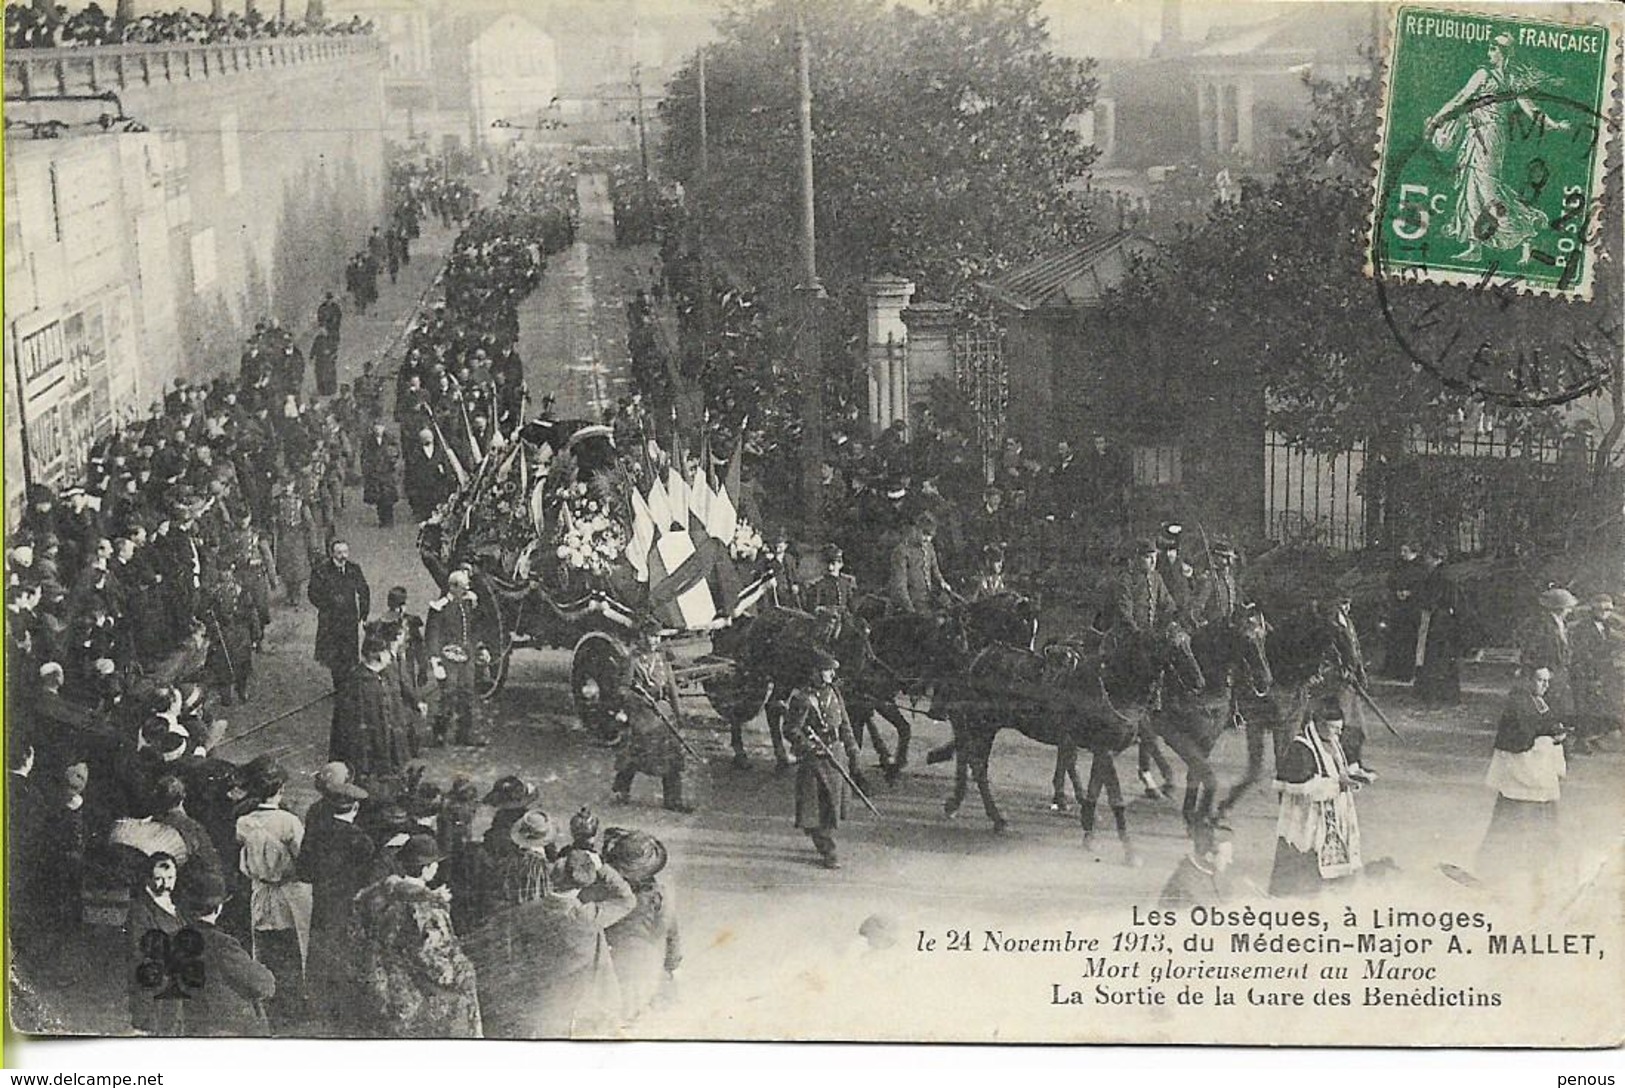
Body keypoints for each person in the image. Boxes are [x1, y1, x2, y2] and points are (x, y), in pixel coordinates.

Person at [463, 815, 636, 1039]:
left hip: (537, 994)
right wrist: (602, 867)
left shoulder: (526, 912)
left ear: (553, 877)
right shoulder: (589, 917)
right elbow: (626, 899)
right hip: (576, 996)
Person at [1425, 32, 1570, 264]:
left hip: (1488, 139)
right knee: (1472, 188)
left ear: (1504, 54)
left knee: (1487, 191)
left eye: (1493, 49)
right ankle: (1477, 246)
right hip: (1480, 136)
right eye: (1489, 48)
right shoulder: (1502, 77)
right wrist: (1554, 124)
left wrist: (1436, 120)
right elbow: (1462, 98)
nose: (1489, 53)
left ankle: (1524, 232)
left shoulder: (1493, 76)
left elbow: (1462, 98)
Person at [348, 834, 482, 1038]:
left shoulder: (380, 893)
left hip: (383, 983)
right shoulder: (427, 908)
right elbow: (436, 964)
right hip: (415, 994)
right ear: (428, 868)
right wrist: (464, 969)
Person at [296, 762, 375, 1030]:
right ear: (355, 807)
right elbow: (368, 878)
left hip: (322, 902)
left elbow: (304, 871)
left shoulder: (316, 830)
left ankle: (318, 1005)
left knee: (320, 951)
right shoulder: (361, 840)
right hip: (350, 904)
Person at [1477, 667, 1569, 896]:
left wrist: (1554, 733)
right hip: (1523, 767)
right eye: (1540, 680)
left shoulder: (1537, 701)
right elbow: (1520, 737)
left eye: (1548, 680)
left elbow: (1542, 724)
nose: (1545, 685)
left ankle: (1536, 870)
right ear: (1528, 680)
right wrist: (1548, 737)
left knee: (1540, 821)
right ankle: (1502, 871)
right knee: (1515, 820)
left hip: (1537, 767)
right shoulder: (1518, 703)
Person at [234, 758, 311, 1030]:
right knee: (292, 947)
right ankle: (293, 1008)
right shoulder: (289, 822)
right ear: (280, 790)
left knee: (265, 948)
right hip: (288, 894)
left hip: (260, 891)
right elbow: (303, 858)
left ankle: (269, 1004)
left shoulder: (244, 823)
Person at [1268, 696, 1363, 897]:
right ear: (1319, 724)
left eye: (1340, 728)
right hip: (1306, 817)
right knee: (1303, 856)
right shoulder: (1301, 748)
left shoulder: (1332, 742)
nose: (1338, 733)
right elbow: (1302, 789)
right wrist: (1339, 784)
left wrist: (1354, 776)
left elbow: (1340, 770)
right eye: (1334, 728)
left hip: (1332, 813)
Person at [782, 649, 865, 870]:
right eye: (827, 670)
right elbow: (790, 729)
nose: (831, 674)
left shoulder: (834, 694)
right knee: (815, 805)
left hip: (834, 754)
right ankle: (827, 849)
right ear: (815, 673)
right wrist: (808, 746)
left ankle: (823, 838)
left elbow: (844, 724)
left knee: (832, 803)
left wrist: (853, 750)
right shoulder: (801, 698)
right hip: (813, 759)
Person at [174, 869, 276, 1037]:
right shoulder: (221, 943)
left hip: (192, 1026)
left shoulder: (176, 938)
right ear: (218, 909)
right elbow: (264, 985)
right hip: (227, 1029)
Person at [611, 618, 693, 813]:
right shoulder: (633, 659)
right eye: (650, 636)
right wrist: (639, 699)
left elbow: (671, 687)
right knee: (634, 755)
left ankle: (673, 799)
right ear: (641, 636)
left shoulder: (663, 658)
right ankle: (621, 790)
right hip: (641, 714)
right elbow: (623, 689)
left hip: (661, 712)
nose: (654, 640)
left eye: (657, 636)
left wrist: (678, 714)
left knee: (673, 756)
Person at [600, 829, 682, 1022]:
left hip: (612, 970)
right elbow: (672, 939)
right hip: (649, 970)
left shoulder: (608, 894)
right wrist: (670, 967)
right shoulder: (660, 897)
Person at [424, 568, 491, 748]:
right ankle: (440, 733)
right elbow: (432, 636)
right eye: (464, 587)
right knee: (449, 694)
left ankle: (464, 734)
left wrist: (480, 648)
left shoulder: (467, 605)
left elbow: (475, 629)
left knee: (468, 694)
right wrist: (435, 661)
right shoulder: (440, 607)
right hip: (448, 659)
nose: (467, 591)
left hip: (466, 657)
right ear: (453, 587)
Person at [124, 851, 188, 1036]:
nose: (166, 884)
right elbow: (140, 955)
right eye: (159, 878)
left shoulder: (174, 905)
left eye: (170, 877)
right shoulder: (140, 911)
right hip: (153, 994)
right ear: (148, 878)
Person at [308, 539, 370, 691]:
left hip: (349, 619)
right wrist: (327, 604)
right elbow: (312, 594)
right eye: (339, 553)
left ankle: (349, 684)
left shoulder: (353, 569)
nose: (343, 556)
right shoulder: (321, 571)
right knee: (335, 655)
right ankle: (340, 686)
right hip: (330, 620)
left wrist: (363, 613)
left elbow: (364, 590)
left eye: (345, 552)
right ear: (332, 554)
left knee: (351, 653)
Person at [1516, 586, 1577, 729]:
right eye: (1568, 607)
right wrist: (1538, 667)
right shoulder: (1542, 623)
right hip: (1546, 669)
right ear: (1560, 608)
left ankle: (1555, 733)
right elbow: (1531, 647)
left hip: (1559, 669)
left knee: (1559, 703)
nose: (1570, 610)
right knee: (1546, 703)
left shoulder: (1562, 623)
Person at [1571, 594, 1625, 750]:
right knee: (1584, 705)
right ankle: (1581, 741)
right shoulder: (1582, 627)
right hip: (1585, 671)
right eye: (1600, 609)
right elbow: (1583, 653)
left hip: (1603, 671)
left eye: (1608, 609)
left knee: (1600, 704)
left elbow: (1607, 646)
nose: (1604, 612)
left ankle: (1595, 736)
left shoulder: (1607, 626)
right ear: (1592, 609)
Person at [1414, 546, 1466, 706]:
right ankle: (1447, 697)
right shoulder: (1444, 574)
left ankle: (1436, 698)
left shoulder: (1440, 576)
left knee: (1437, 661)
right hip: (1443, 622)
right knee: (1443, 661)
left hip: (1439, 623)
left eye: (1428, 558)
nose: (1425, 561)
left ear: (1437, 558)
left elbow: (1434, 600)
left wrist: (1426, 605)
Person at [1158, 822, 1236, 909]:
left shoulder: (1208, 872)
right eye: (1226, 856)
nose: (1230, 861)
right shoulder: (1189, 880)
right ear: (1209, 857)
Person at [888, 512, 954, 614]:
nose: (927, 538)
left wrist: (942, 581)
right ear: (916, 529)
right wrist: (911, 610)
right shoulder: (902, 551)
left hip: (928, 598)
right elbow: (900, 585)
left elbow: (935, 569)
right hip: (912, 602)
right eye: (924, 533)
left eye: (930, 535)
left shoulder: (929, 547)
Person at [1384, 543, 1425, 681]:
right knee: (1396, 638)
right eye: (1401, 550)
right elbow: (1390, 581)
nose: (1402, 553)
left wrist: (1410, 593)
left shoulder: (1421, 568)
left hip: (1412, 609)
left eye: (1405, 551)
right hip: (1398, 608)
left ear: (1414, 552)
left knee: (1409, 641)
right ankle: (1393, 670)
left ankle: (1407, 672)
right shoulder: (1398, 566)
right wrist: (1397, 592)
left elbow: (1423, 587)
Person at [404, 427, 454, 523]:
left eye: (429, 437)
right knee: (425, 507)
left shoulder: (440, 451)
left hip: (437, 484)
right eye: (425, 438)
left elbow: (446, 465)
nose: (428, 440)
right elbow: (411, 470)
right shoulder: (415, 452)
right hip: (423, 485)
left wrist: (443, 471)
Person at [360, 420, 401, 528]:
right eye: (376, 427)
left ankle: (389, 521)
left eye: (380, 427)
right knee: (378, 497)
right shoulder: (368, 440)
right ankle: (382, 520)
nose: (378, 429)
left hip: (387, 472)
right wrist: (367, 469)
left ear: (384, 427)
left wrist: (392, 462)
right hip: (374, 473)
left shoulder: (390, 438)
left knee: (388, 497)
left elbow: (396, 452)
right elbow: (364, 455)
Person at [804, 544, 857, 612]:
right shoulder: (820, 584)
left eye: (833, 563)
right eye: (827, 563)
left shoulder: (845, 583)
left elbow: (851, 606)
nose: (830, 567)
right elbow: (815, 607)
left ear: (841, 564)